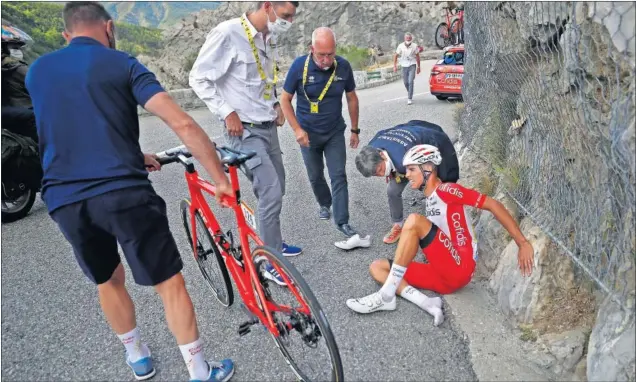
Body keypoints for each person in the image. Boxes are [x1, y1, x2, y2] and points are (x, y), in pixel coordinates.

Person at [25, 2, 235, 381]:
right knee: (168, 283)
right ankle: (200, 370)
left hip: (65, 199)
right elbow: (183, 123)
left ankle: (138, 357)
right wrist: (219, 178)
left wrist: (135, 154)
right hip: (124, 193)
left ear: (65, 35)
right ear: (108, 27)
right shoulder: (122, 63)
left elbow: (72, 125)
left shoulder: (38, 71)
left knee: (108, 279)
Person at [346, 144, 535, 326]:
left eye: (412, 169)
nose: (407, 174)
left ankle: (386, 295)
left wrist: (522, 242)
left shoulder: (447, 190)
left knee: (413, 221)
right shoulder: (430, 198)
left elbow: (492, 204)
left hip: (459, 267)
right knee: (377, 267)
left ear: (428, 168)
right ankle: (427, 303)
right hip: (440, 273)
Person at [188, 1, 303, 276]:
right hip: (244, 131)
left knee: (278, 188)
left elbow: (262, 78)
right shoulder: (228, 33)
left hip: (267, 126)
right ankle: (270, 262)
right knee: (270, 191)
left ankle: (270, 241)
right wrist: (227, 112)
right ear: (267, 6)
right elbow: (198, 78)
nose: (288, 21)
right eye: (285, 15)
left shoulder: (268, 36)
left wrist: (275, 103)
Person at [280, 27, 369, 250]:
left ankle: (342, 221)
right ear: (312, 50)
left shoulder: (343, 67)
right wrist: (297, 130)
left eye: (330, 54)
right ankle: (324, 202)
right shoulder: (299, 66)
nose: (327, 60)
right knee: (315, 174)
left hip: (334, 133)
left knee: (338, 175)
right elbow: (284, 99)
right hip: (307, 134)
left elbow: (351, 98)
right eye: (322, 55)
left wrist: (355, 130)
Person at [355, 120, 459, 245]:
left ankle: (444, 223)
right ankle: (398, 225)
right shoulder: (372, 148)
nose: (381, 175)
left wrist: (428, 188)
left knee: (436, 189)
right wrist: (390, 171)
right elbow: (385, 132)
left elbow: (424, 181)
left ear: (382, 155)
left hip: (432, 142)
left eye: (381, 170)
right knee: (392, 190)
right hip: (402, 156)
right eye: (375, 174)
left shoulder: (404, 160)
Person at [393, 32, 420, 105]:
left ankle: (409, 98)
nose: (408, 39)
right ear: (404, 39)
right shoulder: (400, 46)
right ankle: (410, 92)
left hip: (412, 65)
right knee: (405, 82)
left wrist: (419, 67)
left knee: (410, 81)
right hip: (404, 65)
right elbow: (395, 55)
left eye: (409, 38)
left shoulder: (415, 46)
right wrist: (394, 66)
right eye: (407, 38)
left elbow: (417, 56)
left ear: (411, 39)